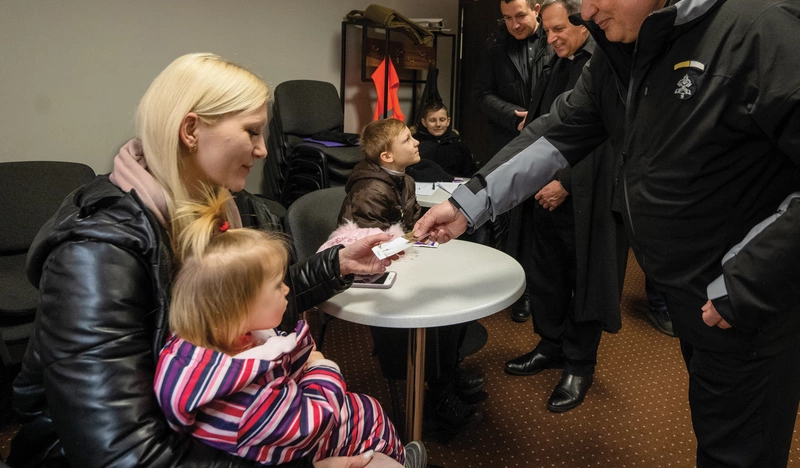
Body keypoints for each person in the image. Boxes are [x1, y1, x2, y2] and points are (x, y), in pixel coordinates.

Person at [415, 0, 800, 467]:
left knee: (740, 452)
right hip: (694, 295)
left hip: (749, 301)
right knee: (717, 433)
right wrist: (469, 202)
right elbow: (558, 131)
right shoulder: (624, 45)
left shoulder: (764, 28)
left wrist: (745, 281)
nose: (585, 10)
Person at [9, 53, 404, 468]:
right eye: (252, 131)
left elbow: (244, 301)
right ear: (191, 130)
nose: (264, 149)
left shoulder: (234, 207)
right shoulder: (96, 254)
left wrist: (338, 264)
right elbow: (122, 453)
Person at [155, 189, 426, 468]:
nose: (287, 288)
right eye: (277, 285)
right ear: (239, 309)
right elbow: (309, 424)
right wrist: (324, 367)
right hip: (340, 445)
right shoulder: (240, 399)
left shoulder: (223, 342)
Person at [504, 0, 628, 412]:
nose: (552, 37)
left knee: (586, 280)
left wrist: (566, 184)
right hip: (543, 196)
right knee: (547, 274)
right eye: (550, 29)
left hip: (586, 199)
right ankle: (550, 344)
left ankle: (579, 364)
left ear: (583, 22)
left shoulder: (605, 63)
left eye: (561, 29)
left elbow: (606, 138)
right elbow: (545, 127)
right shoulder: (554, 62)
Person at [338, 118, 484, 435]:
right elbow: (369, 251)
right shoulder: (371, 193)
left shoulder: (403, 180)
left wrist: (424, 232)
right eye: (407, 140)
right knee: (436, 307)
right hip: (370, 279)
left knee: (453, 294)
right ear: (387, 156)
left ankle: (447, 371)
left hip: (398, 263)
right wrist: (412, 241)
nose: (416, 142)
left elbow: (411, 222)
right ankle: (440, 392)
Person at [473, 0, 550, 322]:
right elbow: (480, 94)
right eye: (507, 18)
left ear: (536, 10)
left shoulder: (556, 40)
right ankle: (510, 289)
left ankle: (536, 290)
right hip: (506, 142)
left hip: (548, 144)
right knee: (505, 219)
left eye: (520, 16)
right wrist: (510, 114)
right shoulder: (495, 47)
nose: (514, 24)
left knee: (540, 224)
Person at [411, 100, 477, 178]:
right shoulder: (414, 143)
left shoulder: (458, 143)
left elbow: (470, 173)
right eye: (432, 120)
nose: (438, 124)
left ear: (448, 121)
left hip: (453, 187)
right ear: (424, 122)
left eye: (442, 120)